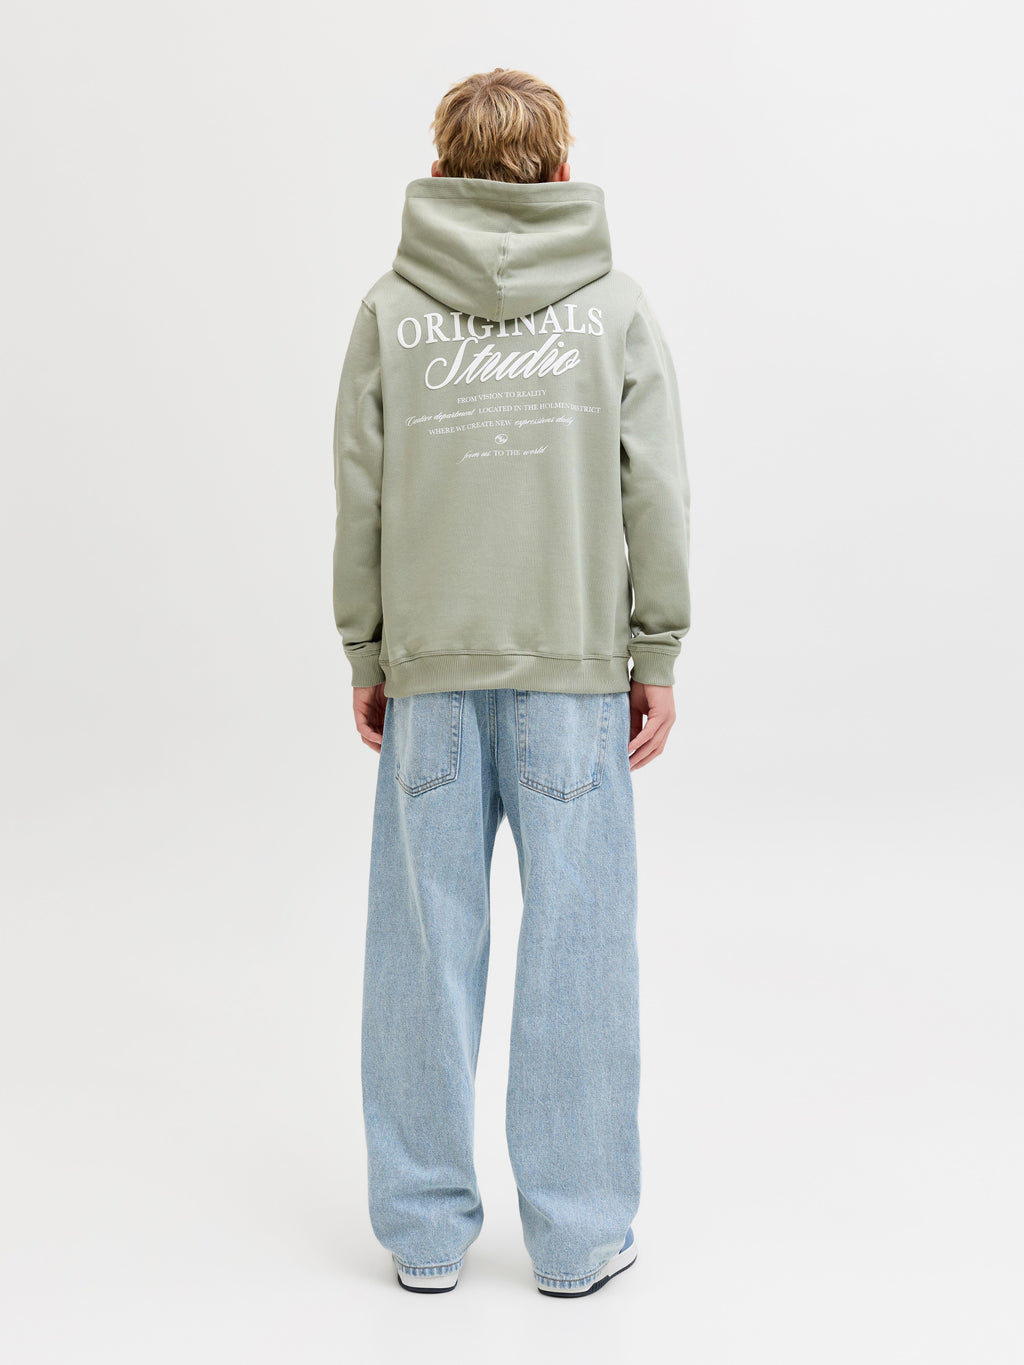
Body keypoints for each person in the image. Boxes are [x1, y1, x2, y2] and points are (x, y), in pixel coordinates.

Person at [331, 67, 691, 1298]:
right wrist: (656, 651)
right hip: (572, 678)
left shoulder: (390, 310)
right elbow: (657, 491)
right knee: (577, 950)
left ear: (441, 167)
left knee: (421, 956)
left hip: (431, 674)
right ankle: (579, 1238)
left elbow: (360, 495)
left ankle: (425, 1234)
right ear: (559, 166)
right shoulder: (613, 308)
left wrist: (369, 651)